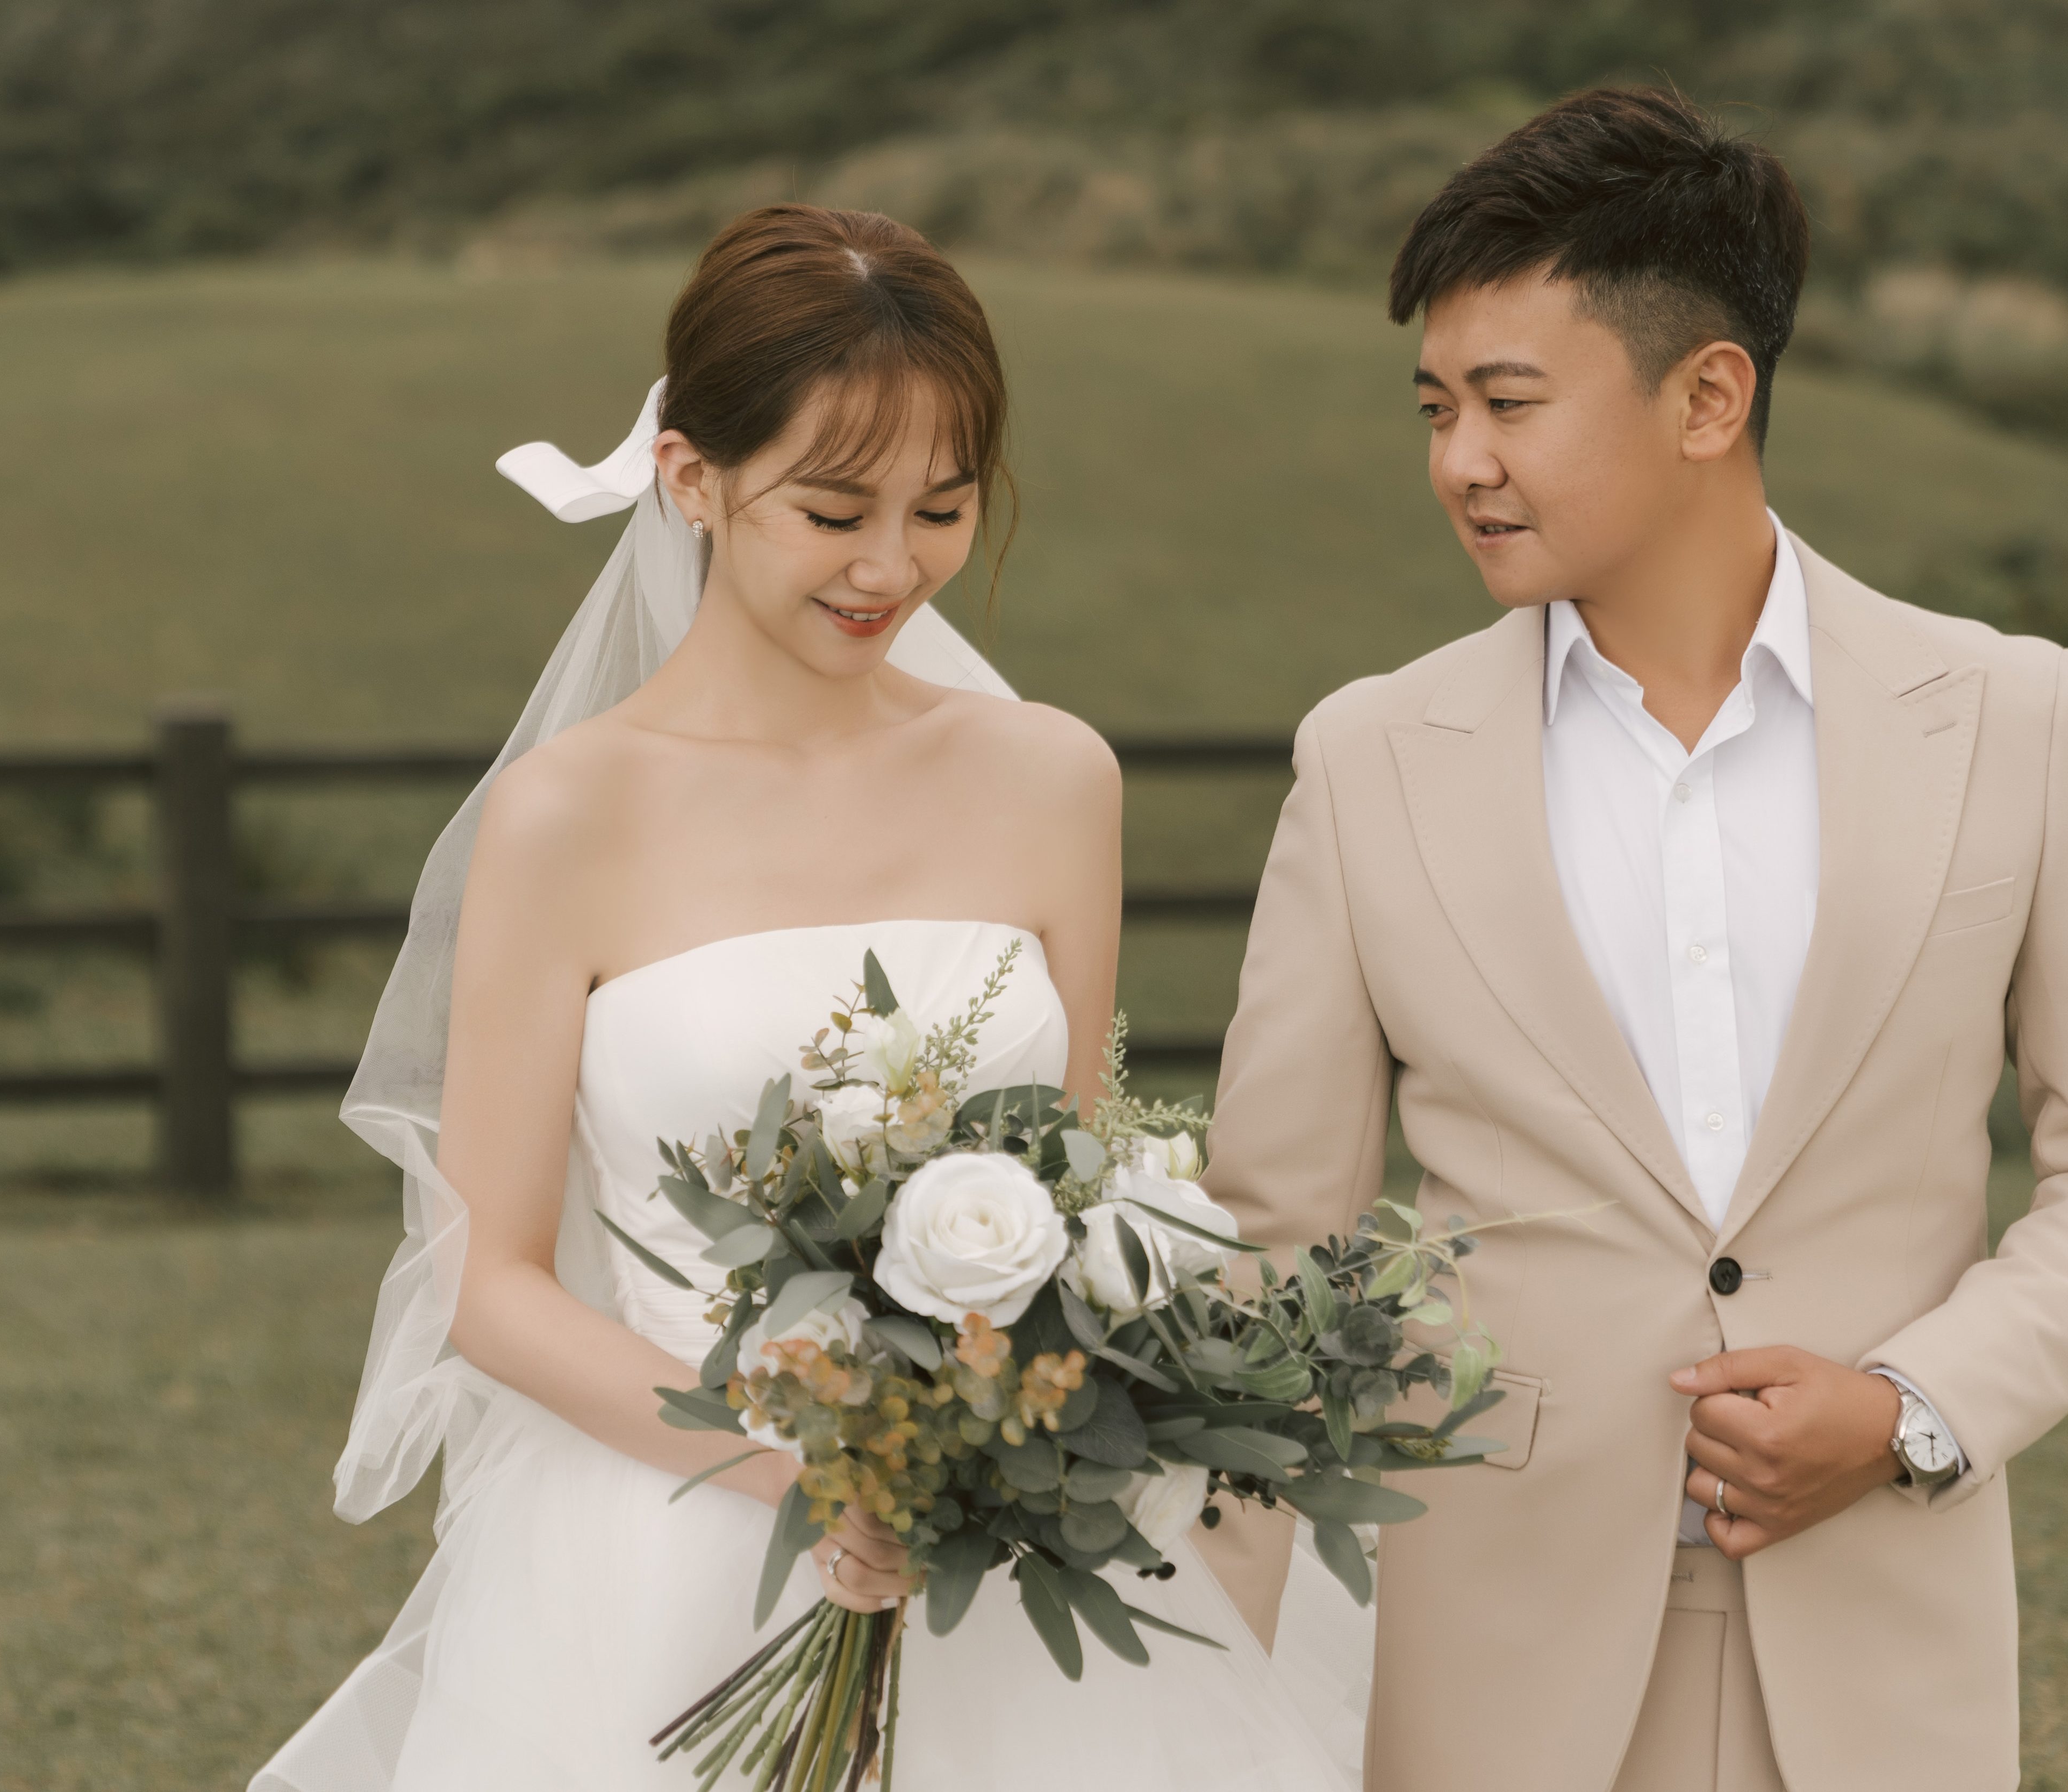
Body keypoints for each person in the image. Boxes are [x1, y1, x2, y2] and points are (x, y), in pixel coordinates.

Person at [1194, 88, 2068, 1792]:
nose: (1460, 462)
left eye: (1510, 403)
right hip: (1494, 1654)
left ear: (1709, 397)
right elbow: (1275, 1237)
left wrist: (1911, 1407)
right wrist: (1194, 1659)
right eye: (1438, 410)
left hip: (1881, 1627)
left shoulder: (2012, 717)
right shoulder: (1369, 760)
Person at [251, 204, 1359, 1791]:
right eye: (833, 510)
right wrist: (805, 1464)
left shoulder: (1054, 778)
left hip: (998, 1552)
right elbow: (489, 1283)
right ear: (691, 479)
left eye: (944, 509)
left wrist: (1028, 1409)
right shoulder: (570, 814)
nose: (891, 567)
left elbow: (1069, 1183)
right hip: (665, 1545)